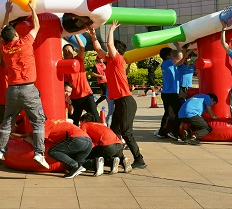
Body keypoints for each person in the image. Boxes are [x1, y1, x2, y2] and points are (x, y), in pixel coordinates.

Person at [0, 0, 50, 170]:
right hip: (28, 89)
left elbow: (4, 31)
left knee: (8, 120)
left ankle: (0, 150)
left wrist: (7, 13)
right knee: (38, 121)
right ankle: (39, 153)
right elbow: (36, 26)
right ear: (16, 35)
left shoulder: (4, 47)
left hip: (12, 90)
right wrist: (32, 9)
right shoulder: (25, 43)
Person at [90, 21, 146, 169]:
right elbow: (98, 48)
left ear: (116, 50)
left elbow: (109, 45)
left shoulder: (118, 60)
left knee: (126, 132)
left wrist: (111, 29)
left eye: (112, 48)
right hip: (120, 102)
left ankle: (139, 160)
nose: (109, 49)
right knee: (114, 132)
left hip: (126, 101)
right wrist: (93, 35)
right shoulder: (110, 60)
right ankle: (118, 158)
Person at [64, 36, 99, 124]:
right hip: (73, 99)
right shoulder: (61, 65)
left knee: (96, 118)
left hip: (86, 95)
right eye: (65, 51)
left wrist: (75, 34)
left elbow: (82, 47)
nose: (67, 52)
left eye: (69, 50)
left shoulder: (78, 60)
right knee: (73, 123)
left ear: (73, 52)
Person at [157, 45, 186, 138]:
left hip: (166, 93)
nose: (173, 55)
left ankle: (162, 132)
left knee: (168, 113)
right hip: (171, 94)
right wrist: (177, 45)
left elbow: (181, 60)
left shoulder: (168, 64)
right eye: (171, 54)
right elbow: (180, 57)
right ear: (167, 56)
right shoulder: (168, 62)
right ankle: (174, 131)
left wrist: (185, 50)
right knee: (179, 112)